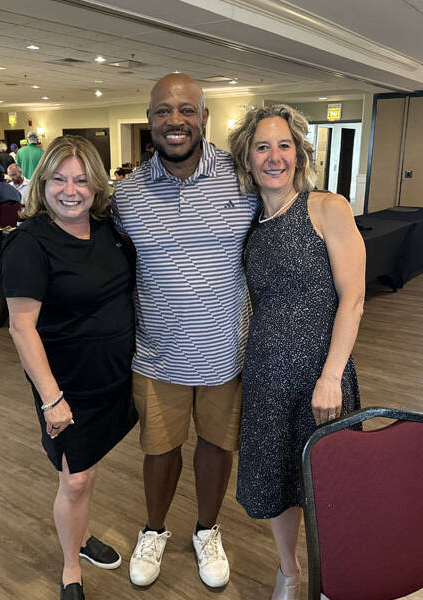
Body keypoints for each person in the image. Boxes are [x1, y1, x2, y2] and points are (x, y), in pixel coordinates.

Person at [112, 73, 258, 589]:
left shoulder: (244, 181)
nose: (175, 121)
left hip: (225, 352)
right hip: (157, 355)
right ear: (149, 120)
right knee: (159, 450)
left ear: (204, 118)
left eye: (187, 110)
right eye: (163, 111)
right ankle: (153, 531)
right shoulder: (126, 197)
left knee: (217, 447)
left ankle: (206, 530)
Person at [228, 105, 365, 600]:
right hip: (265, 373)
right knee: (278, 483)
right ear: (247, 157)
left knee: (329, 485)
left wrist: (331, 376)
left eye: (283, 145)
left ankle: (333, 578)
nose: (274, 156)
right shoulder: (249, 225)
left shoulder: (327, 207)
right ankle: (290, 571)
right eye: (262, 146)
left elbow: (353, 298)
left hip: (320, 372)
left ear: (299, 152)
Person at [1, 135, 137, 600]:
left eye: (81, 180)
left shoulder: (106, 230)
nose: (70, 190)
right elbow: (22, 328)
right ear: (43, 183)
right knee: (75, 477)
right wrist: (51, 398)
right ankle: (70, 570)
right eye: (59, 179)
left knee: (87, 469)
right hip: (67, 385)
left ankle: (79, 535)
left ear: (97, 186)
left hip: (113, 379)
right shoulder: (29, 243)